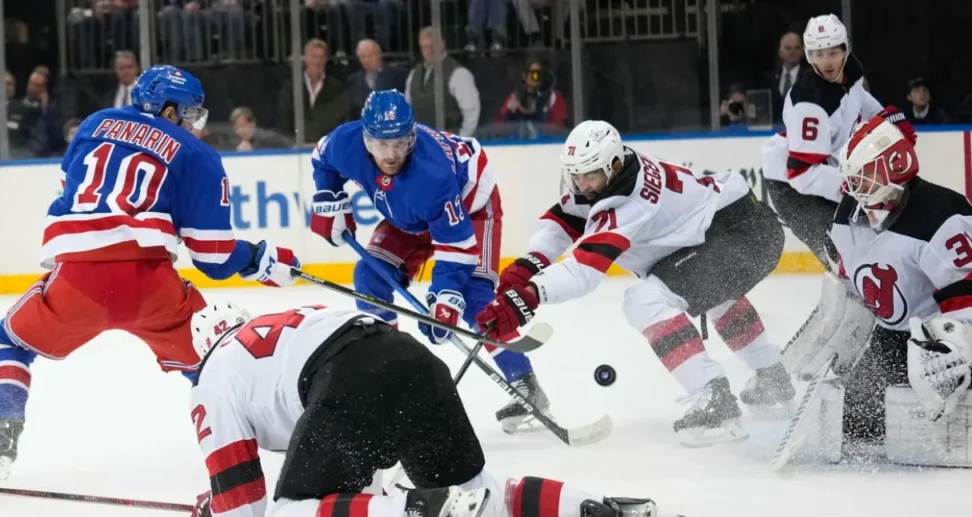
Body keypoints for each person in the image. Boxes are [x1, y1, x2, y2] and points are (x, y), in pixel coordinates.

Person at [0, 65, 299, 486]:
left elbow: (70, 188)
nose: (193, 122)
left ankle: (0, 437)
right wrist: (261, 259)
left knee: (10, 341)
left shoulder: (95, 123)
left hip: (77, 280)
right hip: (149, 283)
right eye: (189, 113)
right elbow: (213, 255)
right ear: (169, 110)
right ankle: (279, 454)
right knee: (217, 370)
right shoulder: (196, 154)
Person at [186, 300, 674, 517]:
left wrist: (212, 512)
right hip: (410, 359)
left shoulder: (214, 373)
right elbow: (334, 447)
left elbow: (243, 513)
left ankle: (423, 508)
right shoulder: (291, 318)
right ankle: (607, 511)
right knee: (481, 495)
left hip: (348, 383)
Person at [474, 120, 787, 447]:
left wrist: (528, 296)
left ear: (614, 166)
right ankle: (772, 377)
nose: (581, 185)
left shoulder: (628, 201)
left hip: (741, 237)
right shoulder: (608, 173)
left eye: (588, 176)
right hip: (740, 224)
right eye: (575, 175)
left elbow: (583, 272)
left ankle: (714, 398)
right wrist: (529, 265)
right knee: (712, 291)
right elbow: (565, 218)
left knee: (644, 300)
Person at [308, 89, 550, 433]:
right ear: (365, 138)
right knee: (370, 277)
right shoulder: (346, 143)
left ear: (412, 136)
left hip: (472, 208)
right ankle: (387, 373)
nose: (391, 155)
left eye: (400, 143)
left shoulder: (432, 175)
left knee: (476, 301)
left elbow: (457, 245)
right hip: (410, 214)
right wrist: (329, 199)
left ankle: (523, 380)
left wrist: (445, 298)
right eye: (381, 144)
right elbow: (322, 159)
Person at [757, 14, 917, 393]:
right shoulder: (809, 101)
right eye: (818, 53)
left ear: (846, 50)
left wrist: (889, 122)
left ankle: (856, 330)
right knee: (846, 262)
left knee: (862, 255)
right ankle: (826, 359)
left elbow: (863, 103)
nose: (827, 60)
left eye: (834, 51)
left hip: (829, 178)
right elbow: (802, 173)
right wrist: (856, 187)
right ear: (808, 57)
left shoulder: (851, 71)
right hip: (795, 190)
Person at [820, 115, 972, 448]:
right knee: (856, 422)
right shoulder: (848, 212)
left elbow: (965, 300)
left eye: (864, 175)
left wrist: (953, 351)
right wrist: (843, 321)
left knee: (942, 418)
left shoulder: (941, 214)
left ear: (896, 164)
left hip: (940, 336)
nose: (854, 187)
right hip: (892, 335)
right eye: (852, 178)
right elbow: (849, 276)